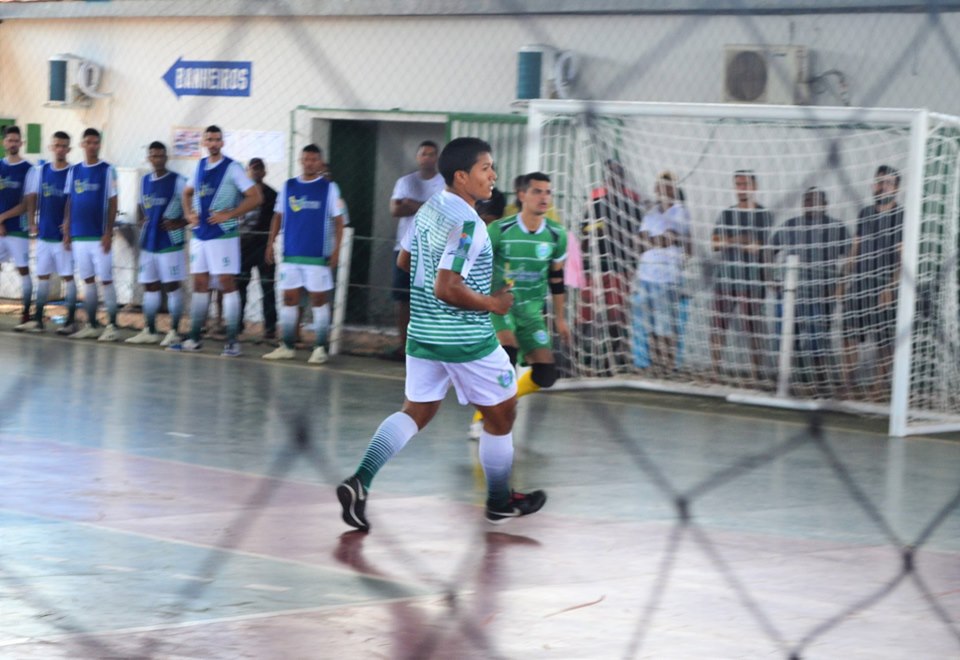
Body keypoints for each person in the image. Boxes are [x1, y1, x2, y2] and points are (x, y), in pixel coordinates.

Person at [336, 137, 546, 532]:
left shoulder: (430, 208)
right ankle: (499, 500)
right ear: (463, 176)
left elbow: (403, 259)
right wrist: (493, 304)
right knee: (503, 413)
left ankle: (360, 481)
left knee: (416, 411)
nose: (493, 176)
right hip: (465, 339)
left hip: (423, 334)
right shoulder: (469, 224)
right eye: (486, 169)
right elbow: (446, 286)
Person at [469, 172, 570, 439]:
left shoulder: (556, 234)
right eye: (537, 191)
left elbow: (557, 278)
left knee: (546, 374)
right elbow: (474, 263)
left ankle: (503, 402)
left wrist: (560, 317)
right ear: (522, 195)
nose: (544, 197)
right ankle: (485, 418)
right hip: (501, 306)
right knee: (508, 355)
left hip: (532, 311)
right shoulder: (499, 230)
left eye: (548, 192)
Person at [168, 125, 261, 356]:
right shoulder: (199, 166)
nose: (212, 143)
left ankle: (232, 341)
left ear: (222, 143)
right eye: (209, 139)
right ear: (203, 142)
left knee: (227, 284)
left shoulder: (232, 168)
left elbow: (256, 197)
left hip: (223, 235)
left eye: (217, 139)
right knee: (200, 285)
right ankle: (194, 337)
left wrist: (230, 215)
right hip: (201, 235)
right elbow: (187, 192)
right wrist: (189, 214)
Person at [262, 144, 345, 364]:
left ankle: (320, 347)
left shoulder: (329, 188)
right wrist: (271, 243)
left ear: (320, 162)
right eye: (306, 159)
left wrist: (336, 250)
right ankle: (287, 345)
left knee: (319, 300)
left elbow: (339, 221)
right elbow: (278, 216)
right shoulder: (288, 186)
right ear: (301, 160)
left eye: (314, 159)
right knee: (289, 299)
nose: (309, 163)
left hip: (317, 255)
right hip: (291, 253)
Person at [771, 187, 850, 395]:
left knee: (817, 339)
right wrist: (771, 278)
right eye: (806, 200)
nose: (810, 204)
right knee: (789, 338)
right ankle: (793, 382)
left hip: (821, 294)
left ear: (824, 204)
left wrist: (840, 283)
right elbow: (769, 251)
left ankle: (821, 382)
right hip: (792, 294)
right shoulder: (790, 226)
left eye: (814, 200)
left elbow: (852, 256)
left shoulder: (836, 227)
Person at [841, 165, 903, 398]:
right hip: (859, 283)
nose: (881, 186)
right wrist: (843, 280)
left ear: (896, 188)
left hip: (883, 284)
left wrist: (891, 286)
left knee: (883, 339)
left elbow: (902, 256)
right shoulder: (865, 213)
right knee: (848, 334)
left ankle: (878, 387)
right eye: (878, 182)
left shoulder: (901, 215)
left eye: (887, 183)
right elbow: (855, 248)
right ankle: (849, 383)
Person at [580, 159, 644, 374]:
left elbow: (637, 235)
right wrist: (591, 236)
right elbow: (584, 231)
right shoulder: (597, 201)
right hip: (596, 266)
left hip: (620, 265)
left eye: (617, 174)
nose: (613, 179)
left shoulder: (631, 204)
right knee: (588, 312)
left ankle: (614, 358)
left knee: (615, 313)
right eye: (610, 175)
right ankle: (586, 355)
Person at [710, 170, 773, 381]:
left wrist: (768, 276)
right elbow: (715, 244)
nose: (741, 189)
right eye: (737, 184)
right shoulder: (727, 214)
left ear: (754, 186)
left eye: (745, 184)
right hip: (727, 279)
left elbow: (760, 247)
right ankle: (714, 370)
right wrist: (739, 240)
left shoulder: (763, 215)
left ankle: (756, 374)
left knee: (753, 329)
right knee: (718, 326)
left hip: (752, 281)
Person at [386, 140, 444, 361]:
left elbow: (440, 214)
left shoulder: (443, 183)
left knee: (432, 298)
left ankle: (430, 347)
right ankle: (404, 346)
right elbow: (394, 209)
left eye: (431, 154)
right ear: (418, 157)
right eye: (423, 154)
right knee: (403, 299)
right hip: (404, 247)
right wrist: (425, 206)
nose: (427, 158)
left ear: (437, 158)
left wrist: (413, 204)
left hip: (433, 248)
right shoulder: (405, 182)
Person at [125, 141, 187, 346]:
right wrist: (142, 217)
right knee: (149, 285)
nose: (157, 159)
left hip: (170, 242)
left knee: (171, 286)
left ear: (166, 157)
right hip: (148, 241)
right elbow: (141, 205)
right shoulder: (144, 181)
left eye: (161, 155)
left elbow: (193, 207)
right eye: (153, 155)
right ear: (149, 158)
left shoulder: (178, 181)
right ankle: (150, 329)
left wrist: (180, 222)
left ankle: (174, 331)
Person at [62, 128, 120, 341]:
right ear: (82, 144)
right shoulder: (74, 170)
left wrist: (108, 232)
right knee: (87, 281)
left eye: (96, 142)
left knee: (106, 280)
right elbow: (69, 201)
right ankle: (92, 324)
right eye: (88, 142)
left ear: (99, 145)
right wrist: (67, 228)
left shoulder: (107, 170)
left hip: (99, 237)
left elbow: (113, 202)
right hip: (79, 236)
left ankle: (112, 326)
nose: (92, 146)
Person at [19, 132, 77, 334]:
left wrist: (68, 225)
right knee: (42, 276)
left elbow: (71, 201)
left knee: (68, 277)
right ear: (52, 147)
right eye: (57, 145)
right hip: (45, 234)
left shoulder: (72, 172)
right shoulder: (41, 171)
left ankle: (70, 321)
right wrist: (32, 221)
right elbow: (32, 195)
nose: (60, 148)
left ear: (69, 149)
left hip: (63, 238)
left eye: (64, 146)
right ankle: (38, 319)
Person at [634, 171, 691, 374]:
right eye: (659, 186)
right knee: (644, 323)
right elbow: (639, 241)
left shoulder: (680, 212)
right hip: (645, 274)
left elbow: (671, 238)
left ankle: (667, 365)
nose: (661, 190)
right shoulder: (651, 214)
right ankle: (647, 364)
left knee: (664, 324)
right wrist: (657, 240)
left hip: (667, 277)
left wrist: (654, 240)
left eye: (666, 187)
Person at [237, 157, 278, 341]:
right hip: (243, 246)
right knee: (239, 286)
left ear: (264, 172)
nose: (255, 172)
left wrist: (271, 244)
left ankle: (270, 327)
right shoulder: (240, 194)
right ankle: (236, 325)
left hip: (263, 246)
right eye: (252, 169)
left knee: (268, 287)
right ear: (247, 171)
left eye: (259, 169)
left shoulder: (272, 195)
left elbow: (276, 222)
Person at [0, 126, 34, 327]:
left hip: (17, 229)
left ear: (21, 143)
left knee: (23, 270)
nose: (13, 143)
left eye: (16, 140)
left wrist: (2, 218)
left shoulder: (28, 169)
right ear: (4, 142)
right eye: (9, 140)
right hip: (0, 228)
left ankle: (26, 313)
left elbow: (26, 203)